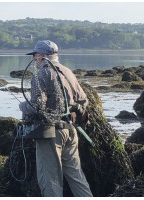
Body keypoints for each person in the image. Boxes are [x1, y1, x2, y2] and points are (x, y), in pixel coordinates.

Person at [18, 40, 92, 197]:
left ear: (41, 56)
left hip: (50, 133)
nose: (34, 60)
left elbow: (37, 107)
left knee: (50, 178)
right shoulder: (68, 72)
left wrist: (23, 106)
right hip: (71, 130)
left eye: (35, 56)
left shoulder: (41, 75)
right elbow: (83, 101)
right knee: (76, 175)